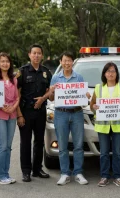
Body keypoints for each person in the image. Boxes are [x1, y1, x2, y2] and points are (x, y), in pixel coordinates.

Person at [49, 52, 90, 185]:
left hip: (77, 113)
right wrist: (52, 91)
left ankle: (78, 172)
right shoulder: (56, 77)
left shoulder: (79, 77)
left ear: (73, 62)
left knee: (78, 145)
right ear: (60, 62)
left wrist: (87, 95)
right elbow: (51, 98)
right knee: (63, 146)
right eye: (64, 61)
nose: (67, 63)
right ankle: (65, 173)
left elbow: (84, 96)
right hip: (61, 113)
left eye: (69, 60)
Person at [90, 62, 120, 187]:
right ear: (104, 74)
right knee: (104, 152)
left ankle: (117, 177)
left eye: (113, 71)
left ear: (117, 73)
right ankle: (104, 176)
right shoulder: (98, 88)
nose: (111, 73)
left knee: (117, 153)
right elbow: (92, 105)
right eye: (108, 71)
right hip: (103, 125)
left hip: (119, 125)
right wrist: (94, 107)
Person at [16, 44, 52, 182]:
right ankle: (26, 171)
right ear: (29, 55)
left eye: (39, 53)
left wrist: (42, 99)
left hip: (41, 111)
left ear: (42, 55)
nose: (36, 56)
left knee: (39, 141)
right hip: (25, 112)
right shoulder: (22, 72)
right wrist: (19, 115)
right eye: (34, 53)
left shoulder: (46, 72)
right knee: (25, 142)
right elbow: (16, 95)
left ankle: (37, 169)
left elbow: (51, 90)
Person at [0, 53, 19, 185]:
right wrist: (2, 106)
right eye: (2, 61)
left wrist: (13, 108)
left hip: (12, 115)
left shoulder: (14, 79)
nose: (5, 64)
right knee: (2, 146)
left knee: (8, 146)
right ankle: (1, 176)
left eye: (7, 61)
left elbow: (17, 97)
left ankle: (6, 174)